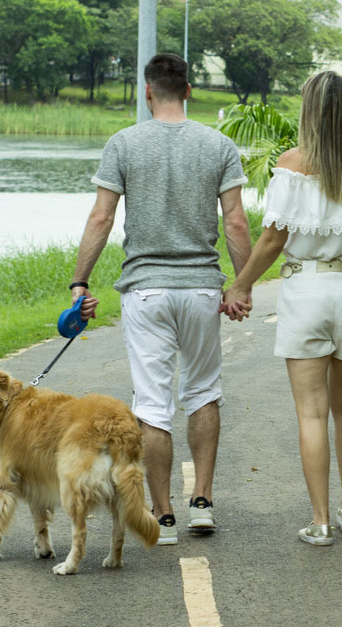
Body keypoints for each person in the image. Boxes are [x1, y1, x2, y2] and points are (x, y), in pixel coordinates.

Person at [69, 53, 252, 546]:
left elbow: (101, 219)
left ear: (147, 91)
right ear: (188, 90)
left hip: (145, 290)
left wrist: (79, 282)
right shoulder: (219, 145)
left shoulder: (123, 144)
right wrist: (242, 284)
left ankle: (164, 515)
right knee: (203, 391)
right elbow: (235, 222)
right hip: (200, 288)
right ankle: (204, 504)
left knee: (152, 403)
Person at [222, 71, 342, 546]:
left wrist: (241, 285)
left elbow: (272, 237)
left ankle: (320, 520)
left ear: (308, 110)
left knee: (311, 413)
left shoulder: (292, 165)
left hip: (304, 292)